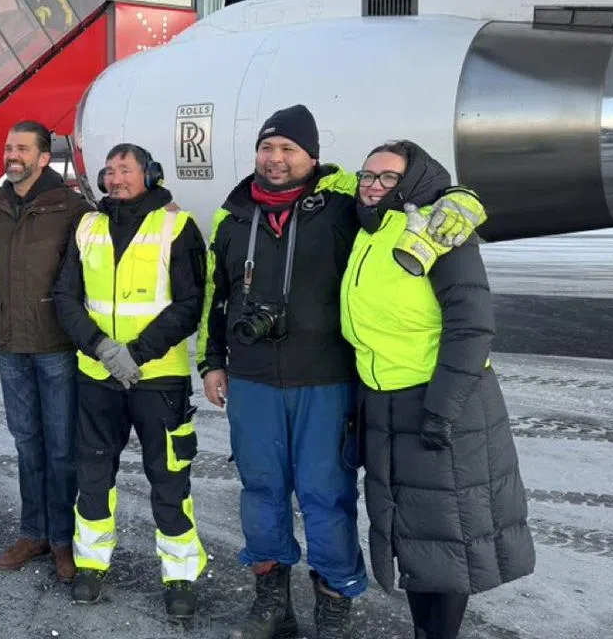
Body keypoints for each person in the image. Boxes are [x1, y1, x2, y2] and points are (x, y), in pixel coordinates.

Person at [196, 105, 487, 639]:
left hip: (326, 379)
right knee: (259, 490)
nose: (276, 159)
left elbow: (410, 190)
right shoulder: (232, 215)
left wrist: (460, 200)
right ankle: (271, 601)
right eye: (268, 148)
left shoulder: (343, 201)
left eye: (288, 149)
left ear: (313, 156)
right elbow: (220, 295)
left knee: (324, 494)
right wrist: (212, 361)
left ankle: (333, 603)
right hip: (254, 380)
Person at [342, 140, 534, 639]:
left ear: (410, 183)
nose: (373, 185)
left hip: (439, 402)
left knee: (450, 535)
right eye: (367, 175)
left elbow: (472, 326)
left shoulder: (437, 228)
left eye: (387, 178)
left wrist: (442, 410)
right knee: (413, 533)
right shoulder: (369, 229)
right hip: (385, 403)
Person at [53, 143, 207, 619]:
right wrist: (102, 348)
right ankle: (92, 564)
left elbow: (189, 304)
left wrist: (135, 354)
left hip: (157, 379)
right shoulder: (88, 226)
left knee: (168, 479)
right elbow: (65, 296)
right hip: (97, 375)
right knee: (94, 474)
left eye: (126, 169)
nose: (116, 178)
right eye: (110, 170)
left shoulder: (176, 226)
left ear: (151, 175)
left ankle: (179, 573)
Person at [0, 120, 91, 582]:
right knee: (27, 444)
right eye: (9, 147)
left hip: (55, 345)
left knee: (62, 447)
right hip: (10, 344)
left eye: (22, 148)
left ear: (45, 157)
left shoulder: (72, 208)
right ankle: (33, 532)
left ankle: (64, 540)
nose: (12, 154)